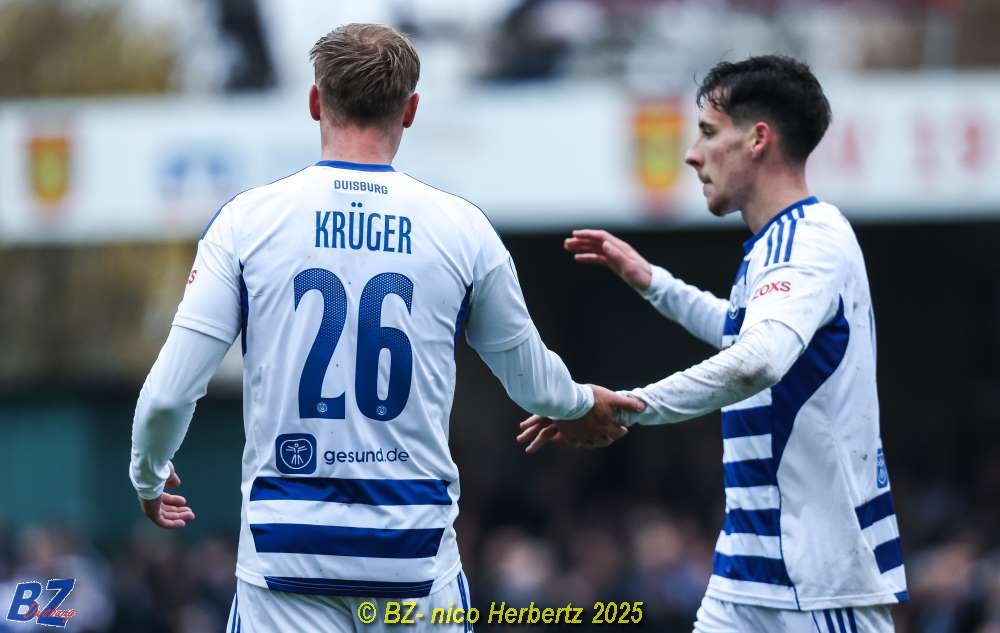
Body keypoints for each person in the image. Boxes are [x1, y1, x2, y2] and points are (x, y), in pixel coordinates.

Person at [128, 23, 640, 633]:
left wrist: (149, 473)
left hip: (285, 562)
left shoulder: (245, 223)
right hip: (415, 564)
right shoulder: (463, 230)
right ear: (411, 110)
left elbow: (168, 395)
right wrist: (578, 405)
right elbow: (531, 379)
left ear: (315, 101)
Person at [518, 55, 907, 632]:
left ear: (757, 139)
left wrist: (629, 407)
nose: (691, 154)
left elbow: (758, 360)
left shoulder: (808, 240)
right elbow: (744, 333)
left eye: (706, 132)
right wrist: (654, 283)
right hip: (747, 574)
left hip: (818, 586)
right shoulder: (781, 244)